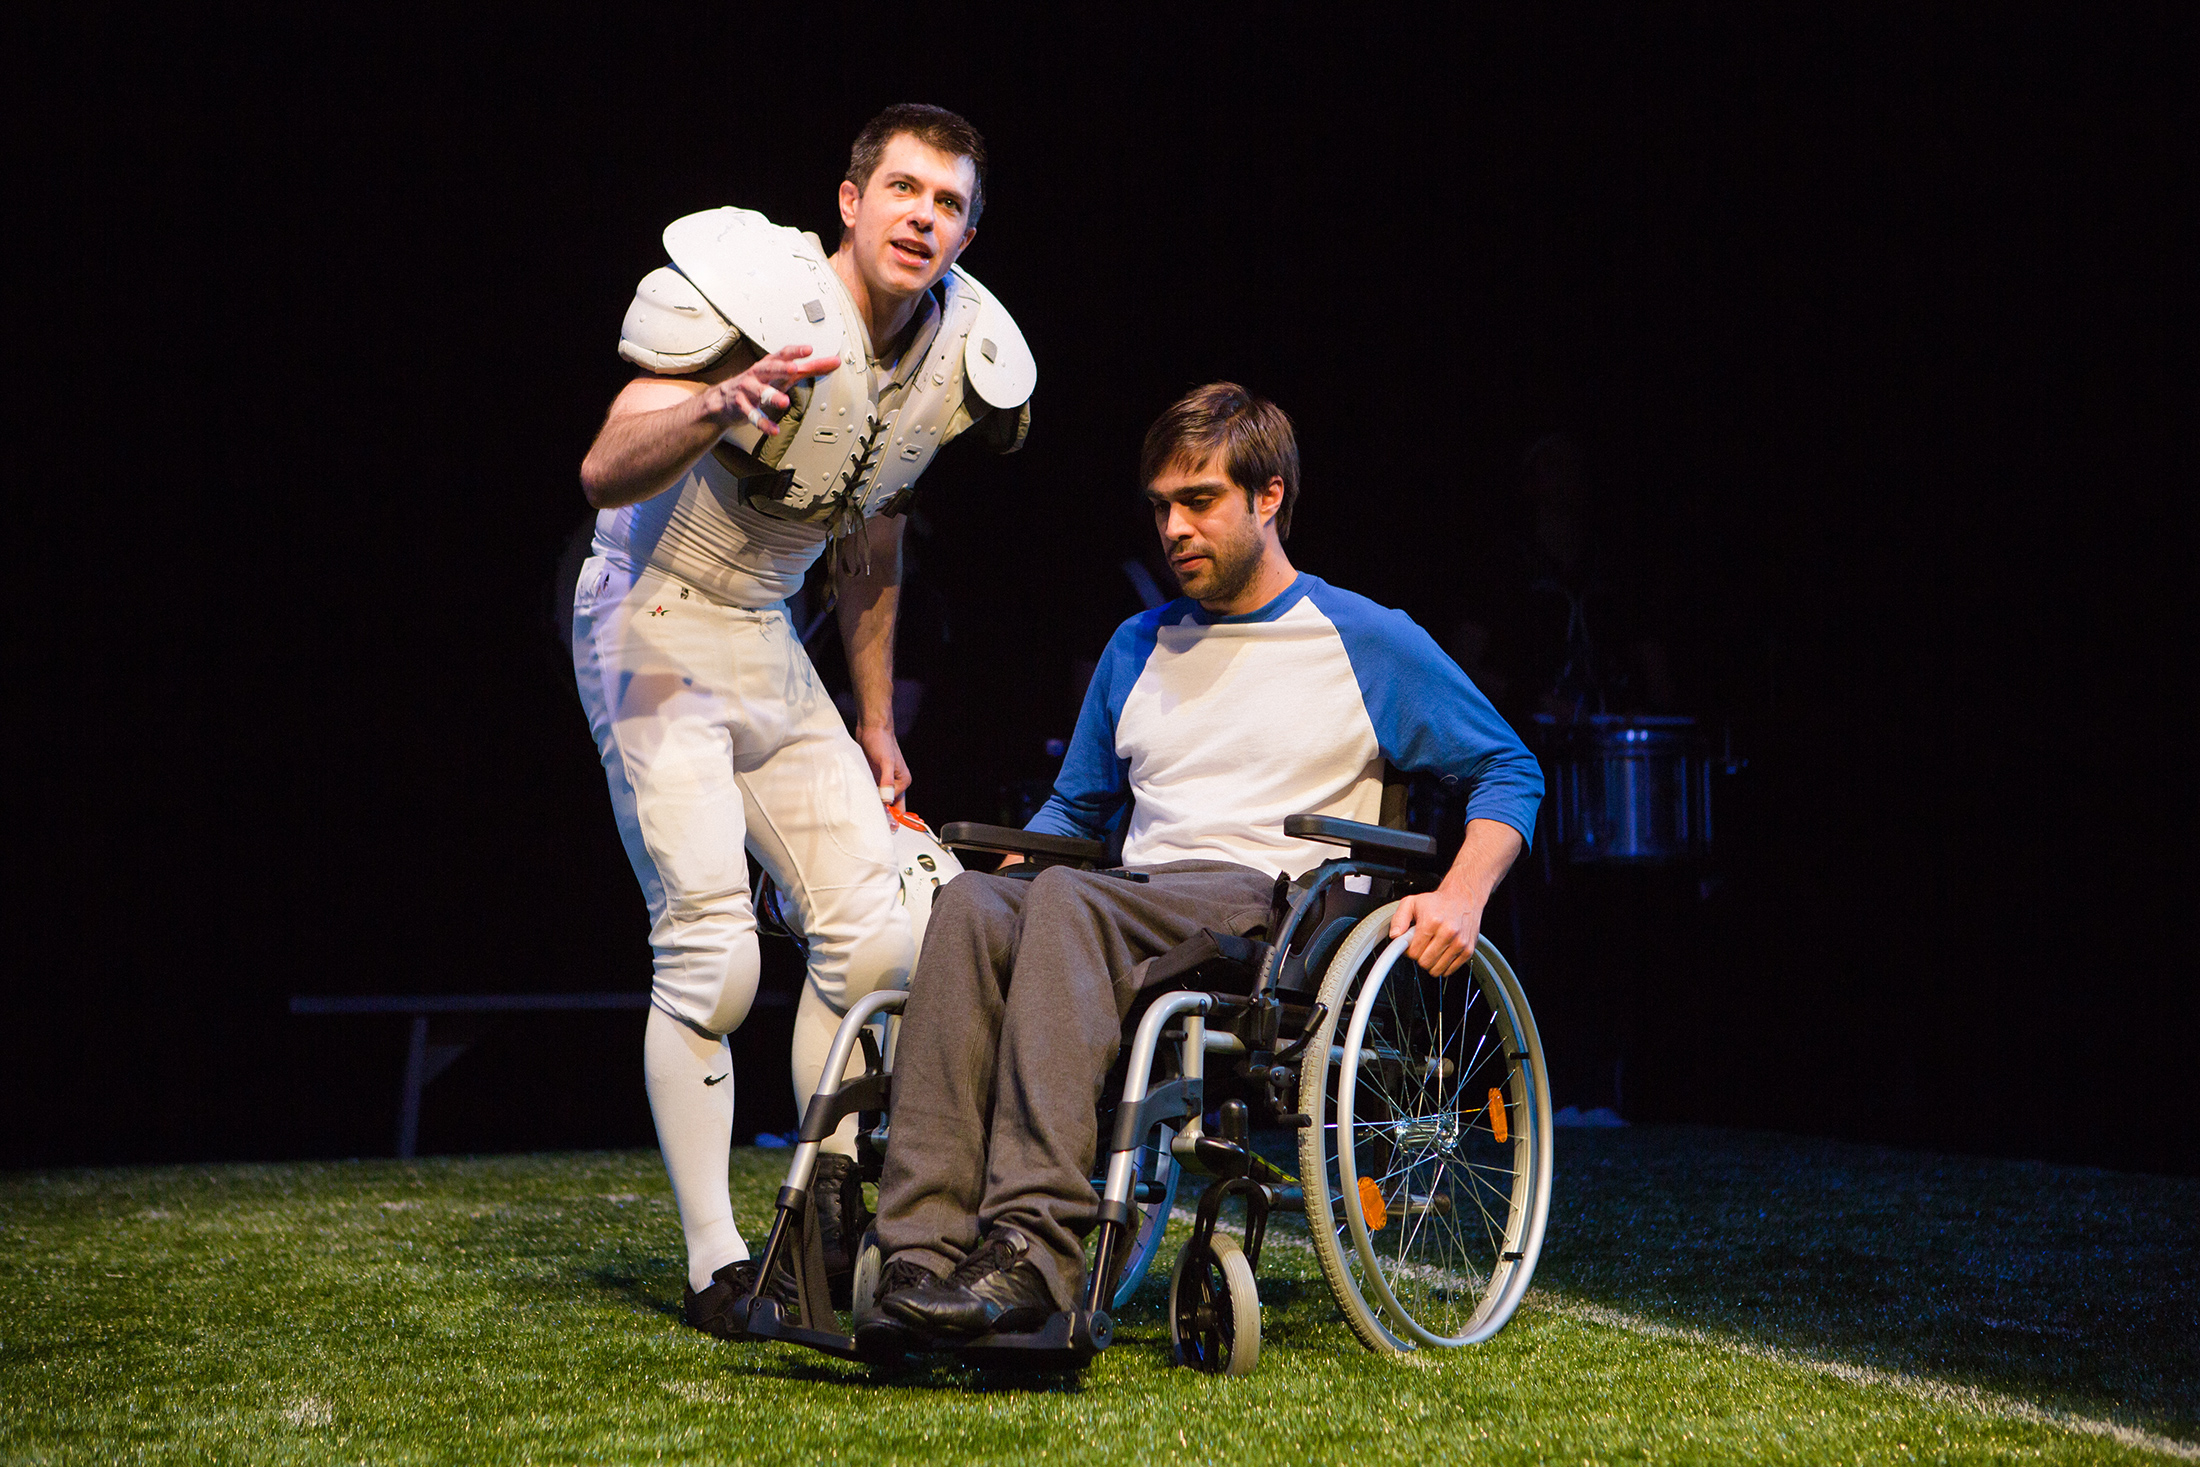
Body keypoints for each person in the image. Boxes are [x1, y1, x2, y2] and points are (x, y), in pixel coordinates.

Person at [863, 383, 1543, 1346]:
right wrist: (1006, 866)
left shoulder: (1365, 638)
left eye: (1199, 501)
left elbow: (1509, 768)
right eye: (1160, 506)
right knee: (974, 903)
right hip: (1129, 900)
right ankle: (919, 1254)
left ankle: (1032, 1253)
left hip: (1270, 912)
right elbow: (1076, 810)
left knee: (1066, 902)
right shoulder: (1136, 644)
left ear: (1269, 497)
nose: (1173, 527)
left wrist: (1462, 892)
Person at [570, 104, 1035, 1337]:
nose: (921, 216)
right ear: (850, 200)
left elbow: (870, 539)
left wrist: (876, 723)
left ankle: (817, 1222)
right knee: (713, 951)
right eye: (903, 188)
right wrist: (716, 402)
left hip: (765, 632)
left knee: (875, 937)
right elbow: (604, 467)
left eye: (947, 202)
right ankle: (714, 1264)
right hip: (650, 610)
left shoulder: (953, 351)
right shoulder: (759, 296)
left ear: (969, 232)